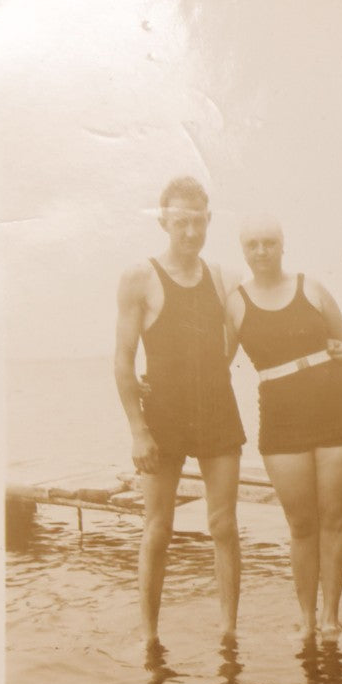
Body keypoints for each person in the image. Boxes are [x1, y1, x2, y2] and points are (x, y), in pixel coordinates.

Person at [226, 216, 342, 639]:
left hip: (337, 411)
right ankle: (306, 620)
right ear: (244, 251)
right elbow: (215, 366)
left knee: (334, 520)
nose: (262, 251)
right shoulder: (235, 303)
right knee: (300, 525)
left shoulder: (311, 288)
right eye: (253, 245)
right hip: (281, 420)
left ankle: (331, 618)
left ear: (283, 246)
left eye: (270, 243)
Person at [114, 177, 245, 645]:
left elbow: (248, 332)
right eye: (181, 222)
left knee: (224, 524)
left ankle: (228, 633)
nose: (190, 232)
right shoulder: (140, 277)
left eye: (198, 221)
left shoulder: (224, 278)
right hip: (163, 416)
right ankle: (150, 636)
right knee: (158, 527)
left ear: (209, 220)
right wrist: (137, 430)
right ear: (164, 221)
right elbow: (123, 358)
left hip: (216, 410)